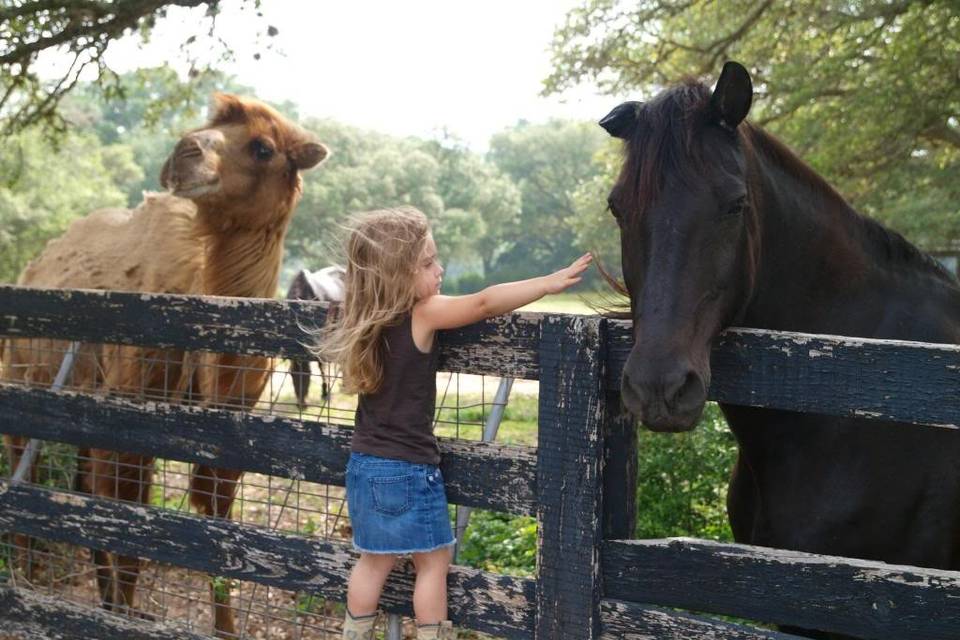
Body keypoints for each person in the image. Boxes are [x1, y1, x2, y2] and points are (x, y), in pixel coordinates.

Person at [314, 206, 592, 640]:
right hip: (408, 468)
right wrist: (548, 282)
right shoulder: (421, 313)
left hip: (364, 465)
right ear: (396, 275)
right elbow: (483, 303)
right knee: (434, 561)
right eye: (427, 263)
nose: (439, 270)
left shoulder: (360, 317)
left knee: (372, 561)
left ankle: (352, 635)